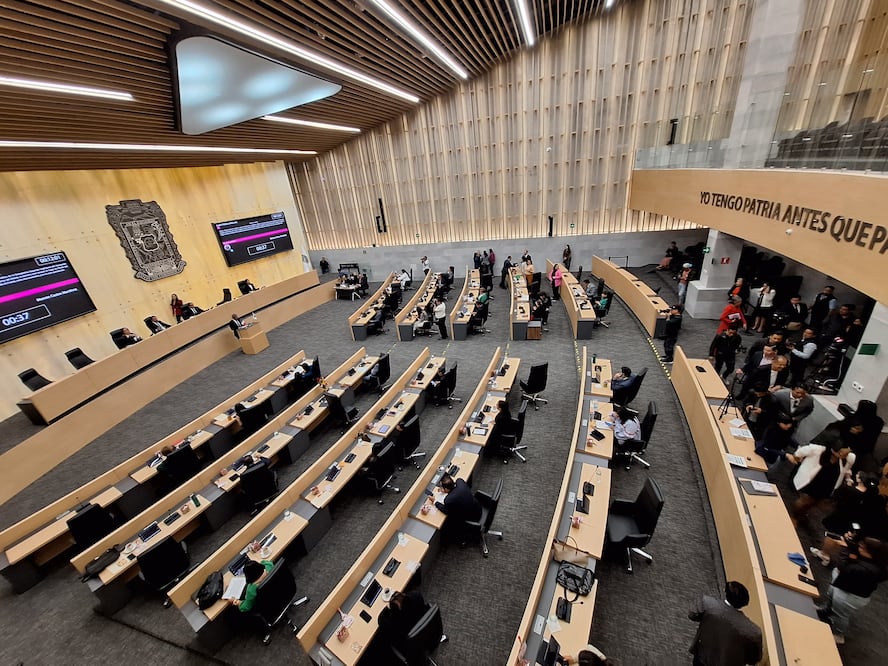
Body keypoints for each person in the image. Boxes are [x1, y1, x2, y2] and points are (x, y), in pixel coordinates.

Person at [817, 536, 888, 645]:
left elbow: (843, 567)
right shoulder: (877, 561)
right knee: (831, 600)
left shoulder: (868, 570)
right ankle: (826, 612)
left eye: (862, 547)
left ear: (869, 552)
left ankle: (838, 634)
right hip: (845, 587)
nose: (859, 547)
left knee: (840, 615)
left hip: (849, 596)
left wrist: (845, 551)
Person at [688, 581, 762, 666]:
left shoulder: (707, 603)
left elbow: (692, 615)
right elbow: (754, 659)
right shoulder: (753, 631)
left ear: (725, 591)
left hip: (702, 657)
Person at [785, 440, 856, 526]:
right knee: (804, 500)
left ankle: (801, 514)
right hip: (813, 482)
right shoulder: (819, 450)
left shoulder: (846, 459)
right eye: (843, 452)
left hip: (827, 486)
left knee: (813, 503)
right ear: (835, 450)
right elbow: (801, 451)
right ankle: (792, 517)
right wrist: (797, 458)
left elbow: (849, 465)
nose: (846, 455)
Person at [430, 473, 482, 543]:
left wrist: (435, 501)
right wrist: (446, 490)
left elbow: (446, 511)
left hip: (472, 517)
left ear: (445, 488)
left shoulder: (448, 500)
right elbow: (455, 491)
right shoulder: (460, 481)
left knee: (447, 523)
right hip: (478, 508)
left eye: (442, 487)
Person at [377, 589, 428, 657]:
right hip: (427, 632)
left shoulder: (394, 623)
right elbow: (410, 594)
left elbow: (381, 620)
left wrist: (387, 609)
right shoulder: (417, 595)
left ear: (394, 612)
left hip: (411, 647)